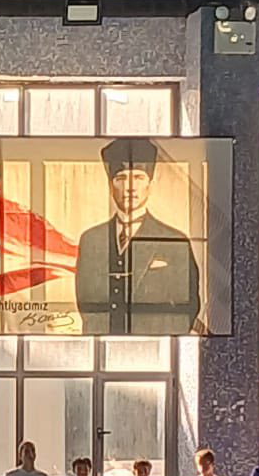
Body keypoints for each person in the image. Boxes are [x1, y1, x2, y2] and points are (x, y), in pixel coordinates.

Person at [75, 137, 202, 337]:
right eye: (121, 178)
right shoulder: (91, 240)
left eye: (138, 177)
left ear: (150, 184)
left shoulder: (175, 242)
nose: (130, 187)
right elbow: (85, 304)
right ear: (110, 186)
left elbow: (187, 308)